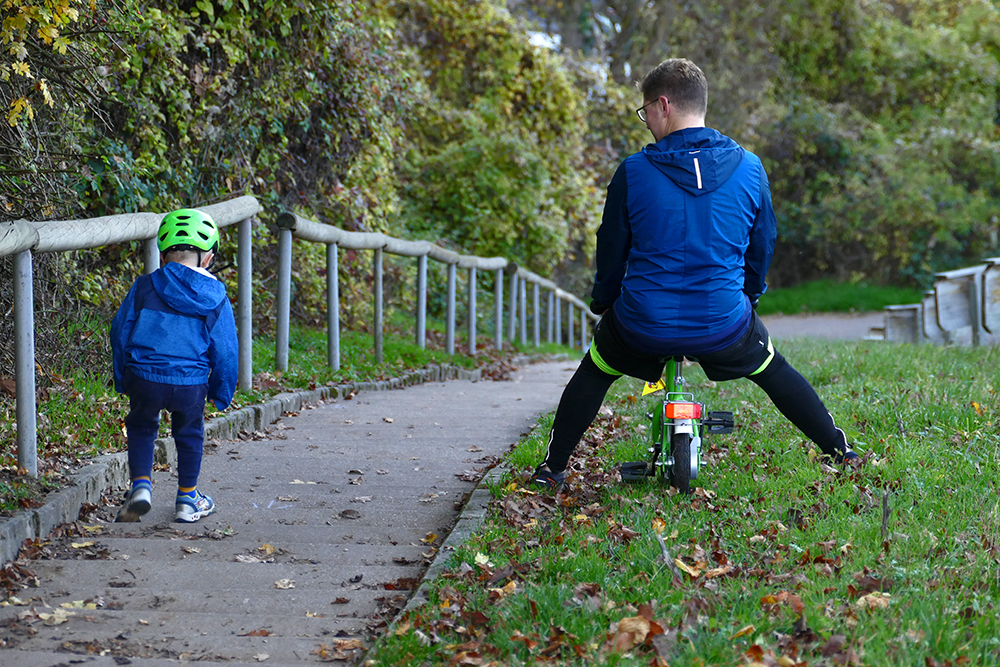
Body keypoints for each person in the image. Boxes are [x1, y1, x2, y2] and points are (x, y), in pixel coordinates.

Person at [531, 59, 857, 491]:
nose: (645, 120)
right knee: (772, 367)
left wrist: (604, 302)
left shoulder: (632, 172)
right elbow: (762, 246)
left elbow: (611, 250)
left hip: (641, 324)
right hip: (723, 323)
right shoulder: (751, 168)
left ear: (663, 105)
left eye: (644, 110)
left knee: (595, 369)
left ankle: (551, 471)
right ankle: (842, 453)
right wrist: (748, 298)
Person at [111, 208, 238, 522]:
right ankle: (187, 499)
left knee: (141, 427)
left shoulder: (144, 287)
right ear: (207, 258)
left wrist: (122, 376)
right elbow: (226, 351)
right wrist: (221, 391)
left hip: (144, 376)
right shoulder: (216, 296)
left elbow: (119, 330)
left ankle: (141, 486)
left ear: (163, 254)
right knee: (190, 432)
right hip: (190, 382)